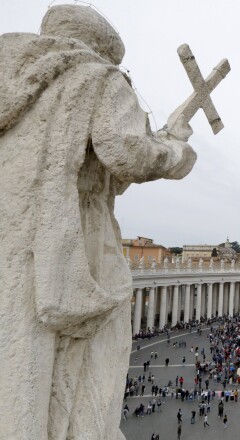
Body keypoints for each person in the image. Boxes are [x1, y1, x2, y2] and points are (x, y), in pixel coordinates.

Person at [0, 5, 196, 439]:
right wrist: (175, 145)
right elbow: (130, 156)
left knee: (16, 361)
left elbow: (106, 171)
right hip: (72, 234)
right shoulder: (97, 76)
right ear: (108, 51)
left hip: (11, 231)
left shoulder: (12, 77)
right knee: (93, 359)